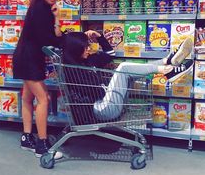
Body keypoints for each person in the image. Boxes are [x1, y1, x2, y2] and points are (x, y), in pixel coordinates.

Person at [62, 31, 193, 123]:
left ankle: (167, 62)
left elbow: (110, 54)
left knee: (129, 72)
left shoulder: (89, 61)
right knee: (124, 68)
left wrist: (99, 37)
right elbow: (94, 91)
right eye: (85, 48)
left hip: (109, 102)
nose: (89, 50)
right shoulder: (72, 71)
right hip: (100, 109)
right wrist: (109, 83)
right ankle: (167, 70)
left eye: (88, 46)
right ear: (75, 49)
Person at [13, 0, 63, 159]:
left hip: (26, 57)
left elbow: (50, 35)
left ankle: (27, 138)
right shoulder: (41, 10)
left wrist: (56, 18)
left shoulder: (40, 8)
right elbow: (49, 39)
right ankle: (42, 145)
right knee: (44, 99)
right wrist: (69, 40)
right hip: (29, 59)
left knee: (27, 97)